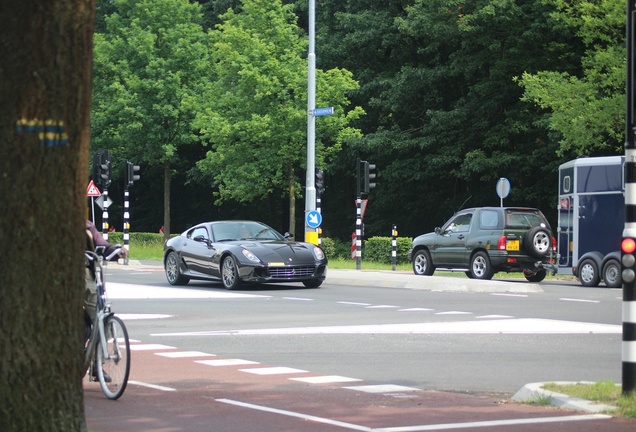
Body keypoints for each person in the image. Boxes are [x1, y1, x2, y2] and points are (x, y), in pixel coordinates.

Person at [85, 220, 127, 381]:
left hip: (88, 275)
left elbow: (100, 242)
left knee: (102, 319)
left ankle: (96, 364)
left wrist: (115, 251)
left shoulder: (86, 226)